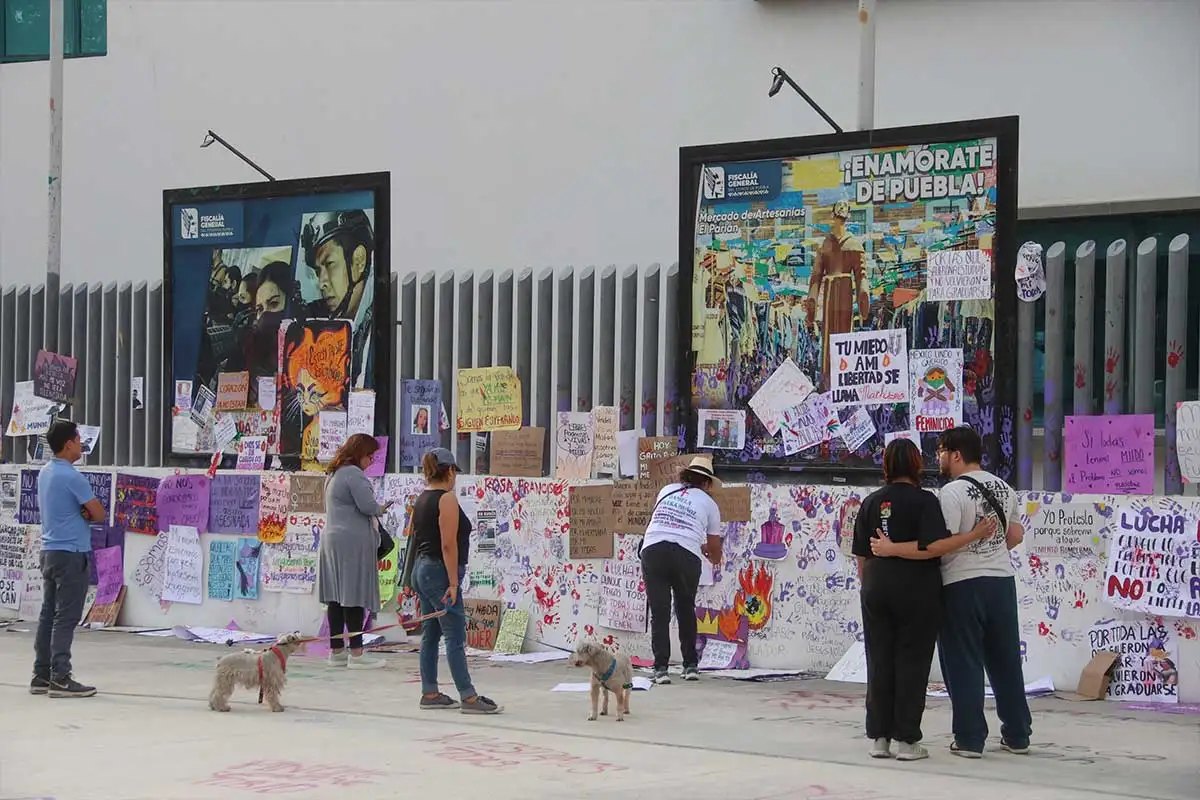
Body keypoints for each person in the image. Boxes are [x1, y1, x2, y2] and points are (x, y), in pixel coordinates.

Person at [872, 426, 1031, 758]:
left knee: (964, 663)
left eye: (942, 451)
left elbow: (937, 546)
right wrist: (990, 548)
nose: (938, 458)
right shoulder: (1005, 488)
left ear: (956, 455)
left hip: (961, 585)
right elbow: (1015, 535)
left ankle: (970, 739)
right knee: (1005, 662)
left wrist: (891, 548)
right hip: (1001, 581)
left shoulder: (952, 493)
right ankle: (1017, 735)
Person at [852, 439, 996, 761]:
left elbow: (860, 554)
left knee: (879, 660)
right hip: (916, 591)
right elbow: (934, 546)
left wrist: (871, 584)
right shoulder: (925, 501)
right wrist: (973, 535)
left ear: (886, 465)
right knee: (911, 663)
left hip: (876, 587)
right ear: (916, 464)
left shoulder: (871, 502)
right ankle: (906, 740)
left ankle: (879, 737)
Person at [410, 447, 501, 713]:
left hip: (422, 569)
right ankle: (469, 696)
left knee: (431, 634)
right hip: (439, 571)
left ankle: (430, 692)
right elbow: (448, 544)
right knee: (454, 635)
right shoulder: (446, 499)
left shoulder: (422, 498)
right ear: (449, 471)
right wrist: (452, 583)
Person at [32, 419, 107, 698]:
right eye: (78, 440)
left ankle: (41, 673)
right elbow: (97, 513)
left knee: (48, 614)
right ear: (68, 444)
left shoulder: (46, 473)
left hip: (50, 550)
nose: (81, 444)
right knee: (66, 617)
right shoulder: (72, 476)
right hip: (72, 553)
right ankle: (61, 676)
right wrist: (85, 513)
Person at [640, 454, 724, 685]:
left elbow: (664, 523)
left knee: (660, 612)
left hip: (653, 550)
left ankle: (660, 670)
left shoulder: (666, 490)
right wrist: (709, 551)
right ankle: (690, 666)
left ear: (685, 476)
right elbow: (715, 551)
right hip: (686, 554)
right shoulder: (709, 504)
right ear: (707, 483)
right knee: (685, 608)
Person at [319, 433, 394, 669]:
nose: (371, 461)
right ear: (359, 454)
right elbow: (367, 505)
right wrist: (381, 508)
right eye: (369, 456)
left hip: (332, 539)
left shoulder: (334, 473)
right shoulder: (354, 474)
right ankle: (358, 653)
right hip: (351, 542)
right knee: (352, 596)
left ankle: (337, 651)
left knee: (336, 597)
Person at [301, 210, 376, 388]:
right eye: (318, 271)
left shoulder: (381, 331)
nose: (322, 283)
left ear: (359, 261)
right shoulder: (323, 324)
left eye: (329, 264)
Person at [806, 199, 870, 389]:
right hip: (841, 293)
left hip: (835, 294)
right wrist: (863, 298)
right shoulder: (849, 245)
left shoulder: (827, 245)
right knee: (840, 338)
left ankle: (834, 382)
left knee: (835, 338)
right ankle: (837, 381)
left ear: (833, 217)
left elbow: (816, 277)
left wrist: (812, 305)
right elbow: (861, 276)